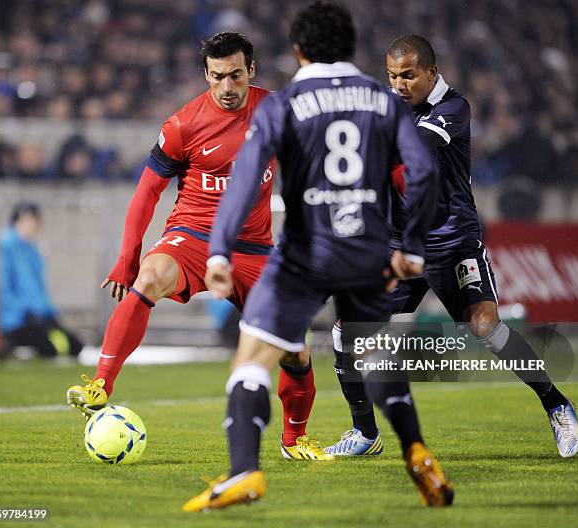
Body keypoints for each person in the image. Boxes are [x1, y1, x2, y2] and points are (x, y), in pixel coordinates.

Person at [184, 2, 453, 512]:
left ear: (299, 50)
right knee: (372, 353)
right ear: (351, 46)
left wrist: (218, 249)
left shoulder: (282, 104)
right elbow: (422, 173)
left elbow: (244, 182)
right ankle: (416, 449)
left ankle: (244, 471)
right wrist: (412, 247)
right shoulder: (383, 99)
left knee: (253, 359)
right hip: (369, 253)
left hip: (304, 254)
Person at [65, 32, 327, 460]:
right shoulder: (183, 125)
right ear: (206, 74)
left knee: (294, 349)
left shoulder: (276, 110)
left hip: (253, 248)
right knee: (150, 277)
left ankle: (294, 442)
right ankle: (100, 385)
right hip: (193, 235)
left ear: (252, 71)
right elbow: (146, 193)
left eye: (236, 76)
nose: (227, 87)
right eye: (218, 77)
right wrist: (128, 259)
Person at [324, 35, 578, 459]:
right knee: (346, 332)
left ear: (431, 71)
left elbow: (418, 150)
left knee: (485, 326)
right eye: (392, 76)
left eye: (408, 75)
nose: (399, 84)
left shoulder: (453, 108)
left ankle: (556, 404)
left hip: (452, 242)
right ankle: (364, 432)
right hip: (397, 244)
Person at [0, 202, 83, 358]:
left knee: (75, 346)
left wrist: (46, 311)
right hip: (16, 320)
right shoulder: (3, 246)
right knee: (51, 349)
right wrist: (22, 309)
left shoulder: (31, 250)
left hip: (38, 315)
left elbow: (36, 288)